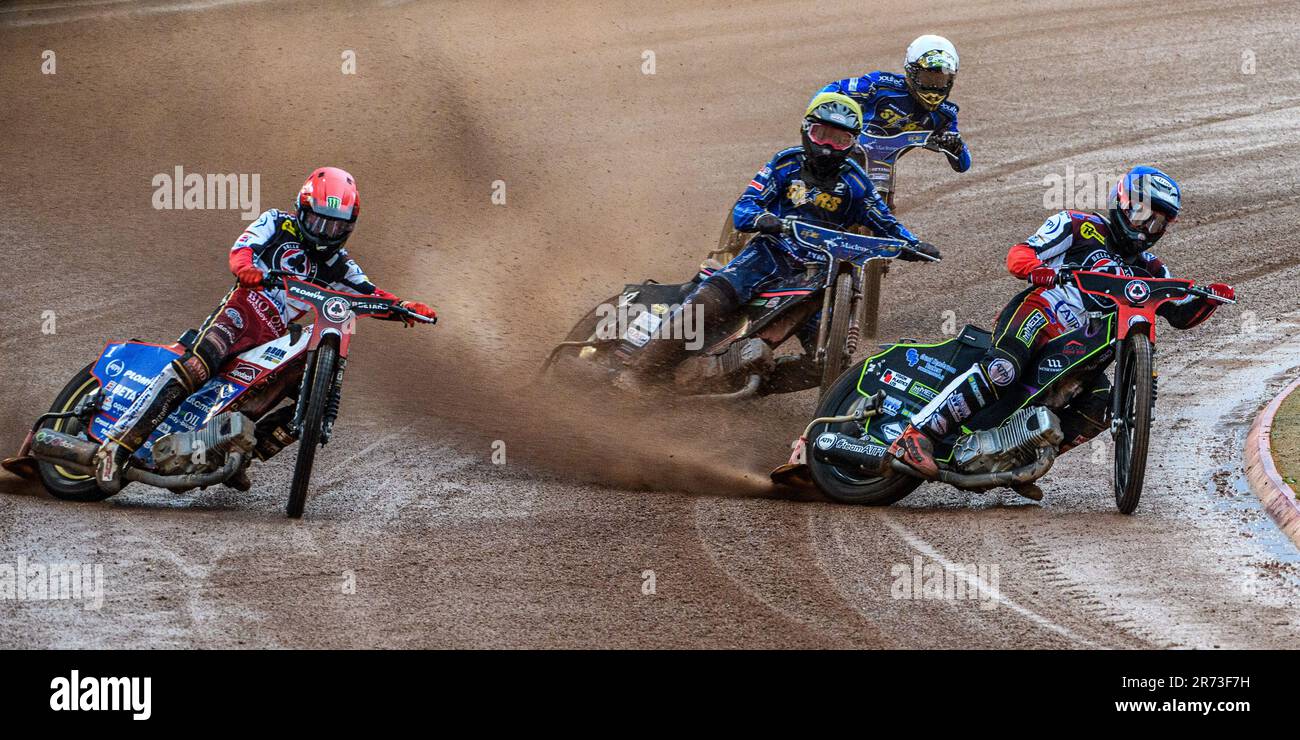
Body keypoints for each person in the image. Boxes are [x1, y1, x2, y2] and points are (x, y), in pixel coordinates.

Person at [92, 167, 436, 490]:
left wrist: (404, 308)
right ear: (301, 210)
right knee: (198, 365)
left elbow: (371, 294)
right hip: (241, 313)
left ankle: (236, 455)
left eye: (333, 227)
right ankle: (118, 447)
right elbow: (242, 249)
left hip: (274, 340)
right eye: (317, 220)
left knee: (312, 392)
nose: (323, 232)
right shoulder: (275, 222)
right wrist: (246, 270)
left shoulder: (341, 266)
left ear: (348, 228)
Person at [886, 165, 1235, 478]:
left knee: (1101, 406)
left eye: (1158, 221)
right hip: (1041, 313)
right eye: (1142, 213)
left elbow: (1179, 314)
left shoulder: (1152, 269)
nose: (1147, 227)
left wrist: (1210, 298)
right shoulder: (1078, 225)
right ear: (1123, 201)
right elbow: (1019, 254)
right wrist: (1041, 272)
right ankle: (915, 435)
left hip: (1079, 350)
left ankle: (1017, 457)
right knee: (1002, 369)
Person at [631, 92, 939, 380]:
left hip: (822, 271)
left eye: (839, 139)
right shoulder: (785, 164)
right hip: (770, 253)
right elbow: (745, 206)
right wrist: (763, 219)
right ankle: (638, 374)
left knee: (835, 359)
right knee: (707, 301)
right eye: (821, 135)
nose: (828, 147)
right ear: (806, 130)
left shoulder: (857, 184)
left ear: (853, 143)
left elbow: (885, 222)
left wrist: (911, 244)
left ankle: (749, 375)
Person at [818, 34, 970, 172]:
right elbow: (833, 89)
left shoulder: (945, 115)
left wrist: (955, 146)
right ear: (911, 72)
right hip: (846, 149)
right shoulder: (882, 85)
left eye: (941, 80)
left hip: (883, 168)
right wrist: (820, 112)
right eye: (928, 78)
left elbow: (963, 165)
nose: (934, 86)